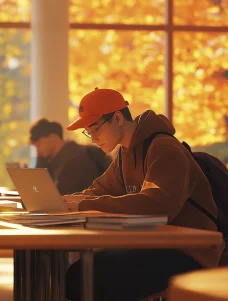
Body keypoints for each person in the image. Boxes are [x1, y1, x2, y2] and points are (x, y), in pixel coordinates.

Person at [64, 88, 224, 301]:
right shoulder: (124, 153)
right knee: (81, 274)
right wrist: (65, 202)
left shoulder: (164, 148)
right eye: (88, 132)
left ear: (118, 118)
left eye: (95, 129)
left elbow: (158, 205)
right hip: (156, 245)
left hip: (191, 252)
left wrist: (82, 206)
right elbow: (99, 190)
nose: (92, 138)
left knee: (88, 278)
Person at [29, 118, 111, 195]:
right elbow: (37, 190)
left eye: (38, 144)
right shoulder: (53, 160)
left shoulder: (75, 159)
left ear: (52, 137)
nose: (37, 150)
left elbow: (58, 196)